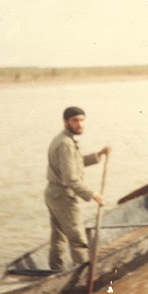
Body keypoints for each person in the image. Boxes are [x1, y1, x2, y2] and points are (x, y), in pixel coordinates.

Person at [44, 106, 110, 271]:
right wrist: (93, 194)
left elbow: (76, 163)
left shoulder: (64, 139)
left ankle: (56, 270)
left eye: (82, 120)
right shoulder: (66, 143)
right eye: (75, 121)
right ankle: (83, 274)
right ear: (66, 122)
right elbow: (70, 179)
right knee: (78, 238)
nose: (80, 124)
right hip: (63, 195)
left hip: (53, 193)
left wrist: (98, 155)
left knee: (59, 236)